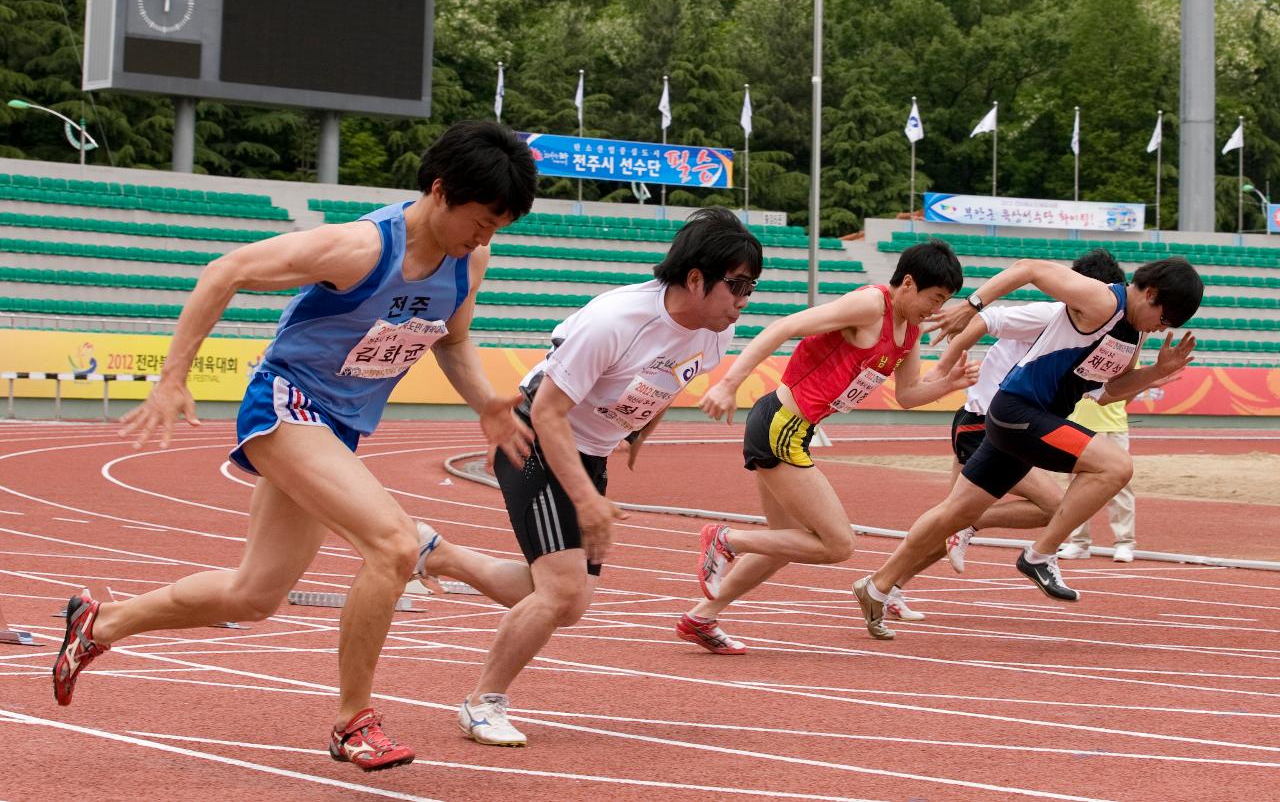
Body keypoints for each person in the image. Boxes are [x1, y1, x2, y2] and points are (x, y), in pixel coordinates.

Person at [51, 120, 538, 771]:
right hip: (285, 404)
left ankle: (98, 622)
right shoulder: (359, 247)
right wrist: (173, 379)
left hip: (337, 426)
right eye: (482, 220)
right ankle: (352, 720)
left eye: (499, 226)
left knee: (254, 594)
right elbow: (227, 270)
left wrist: (488, 405)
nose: (486, 237)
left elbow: (450, 339)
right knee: (393, 544)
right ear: (441, 191)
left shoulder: (469, 259)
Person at [413, 207, 763, 746]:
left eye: (752, 288)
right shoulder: (615, 321)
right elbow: (548, 410)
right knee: (559, 592)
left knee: (571, 602)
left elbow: (666, 381)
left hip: (588, 449)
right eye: (736, 286)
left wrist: (636, 433)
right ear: (696, 279)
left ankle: (439, 555)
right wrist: (589, 499)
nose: (743, 301)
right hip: (534, 436)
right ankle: (482, 701)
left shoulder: (715, 332)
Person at [853, 255, 1202, 640]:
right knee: (1115, 467)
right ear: (1150, 294)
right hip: (1018, 411)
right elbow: (1029, 268)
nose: (1160, 329)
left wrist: (1156, 371)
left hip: (1024, 423)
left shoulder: (1133, 335)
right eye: (1164, 320)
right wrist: (971, 306)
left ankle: (877, 586)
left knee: (956, 512)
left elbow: (1105, 393)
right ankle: (1040, 555)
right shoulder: (1103, 300)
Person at [679, 239, 980, 653]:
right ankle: (725, 539)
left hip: (792, 428)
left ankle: (702, 617)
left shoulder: (909, 332)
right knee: (838, 543)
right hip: (781, 424)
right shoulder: (871, 307)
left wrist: (948, 385)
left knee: (784, 541)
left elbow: (908, 394)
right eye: (936, 297)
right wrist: (730, 384)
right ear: (908, 283)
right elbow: (784, 327)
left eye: (946, 300)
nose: (937, 308)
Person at [1059, 393, 1137, 562]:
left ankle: (1125, 542)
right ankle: (1079, 542)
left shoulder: (1128, 364)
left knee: (1120, 484)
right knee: (1076, 485)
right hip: (1077, 425)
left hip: (1113, 425)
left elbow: (1132, 388)